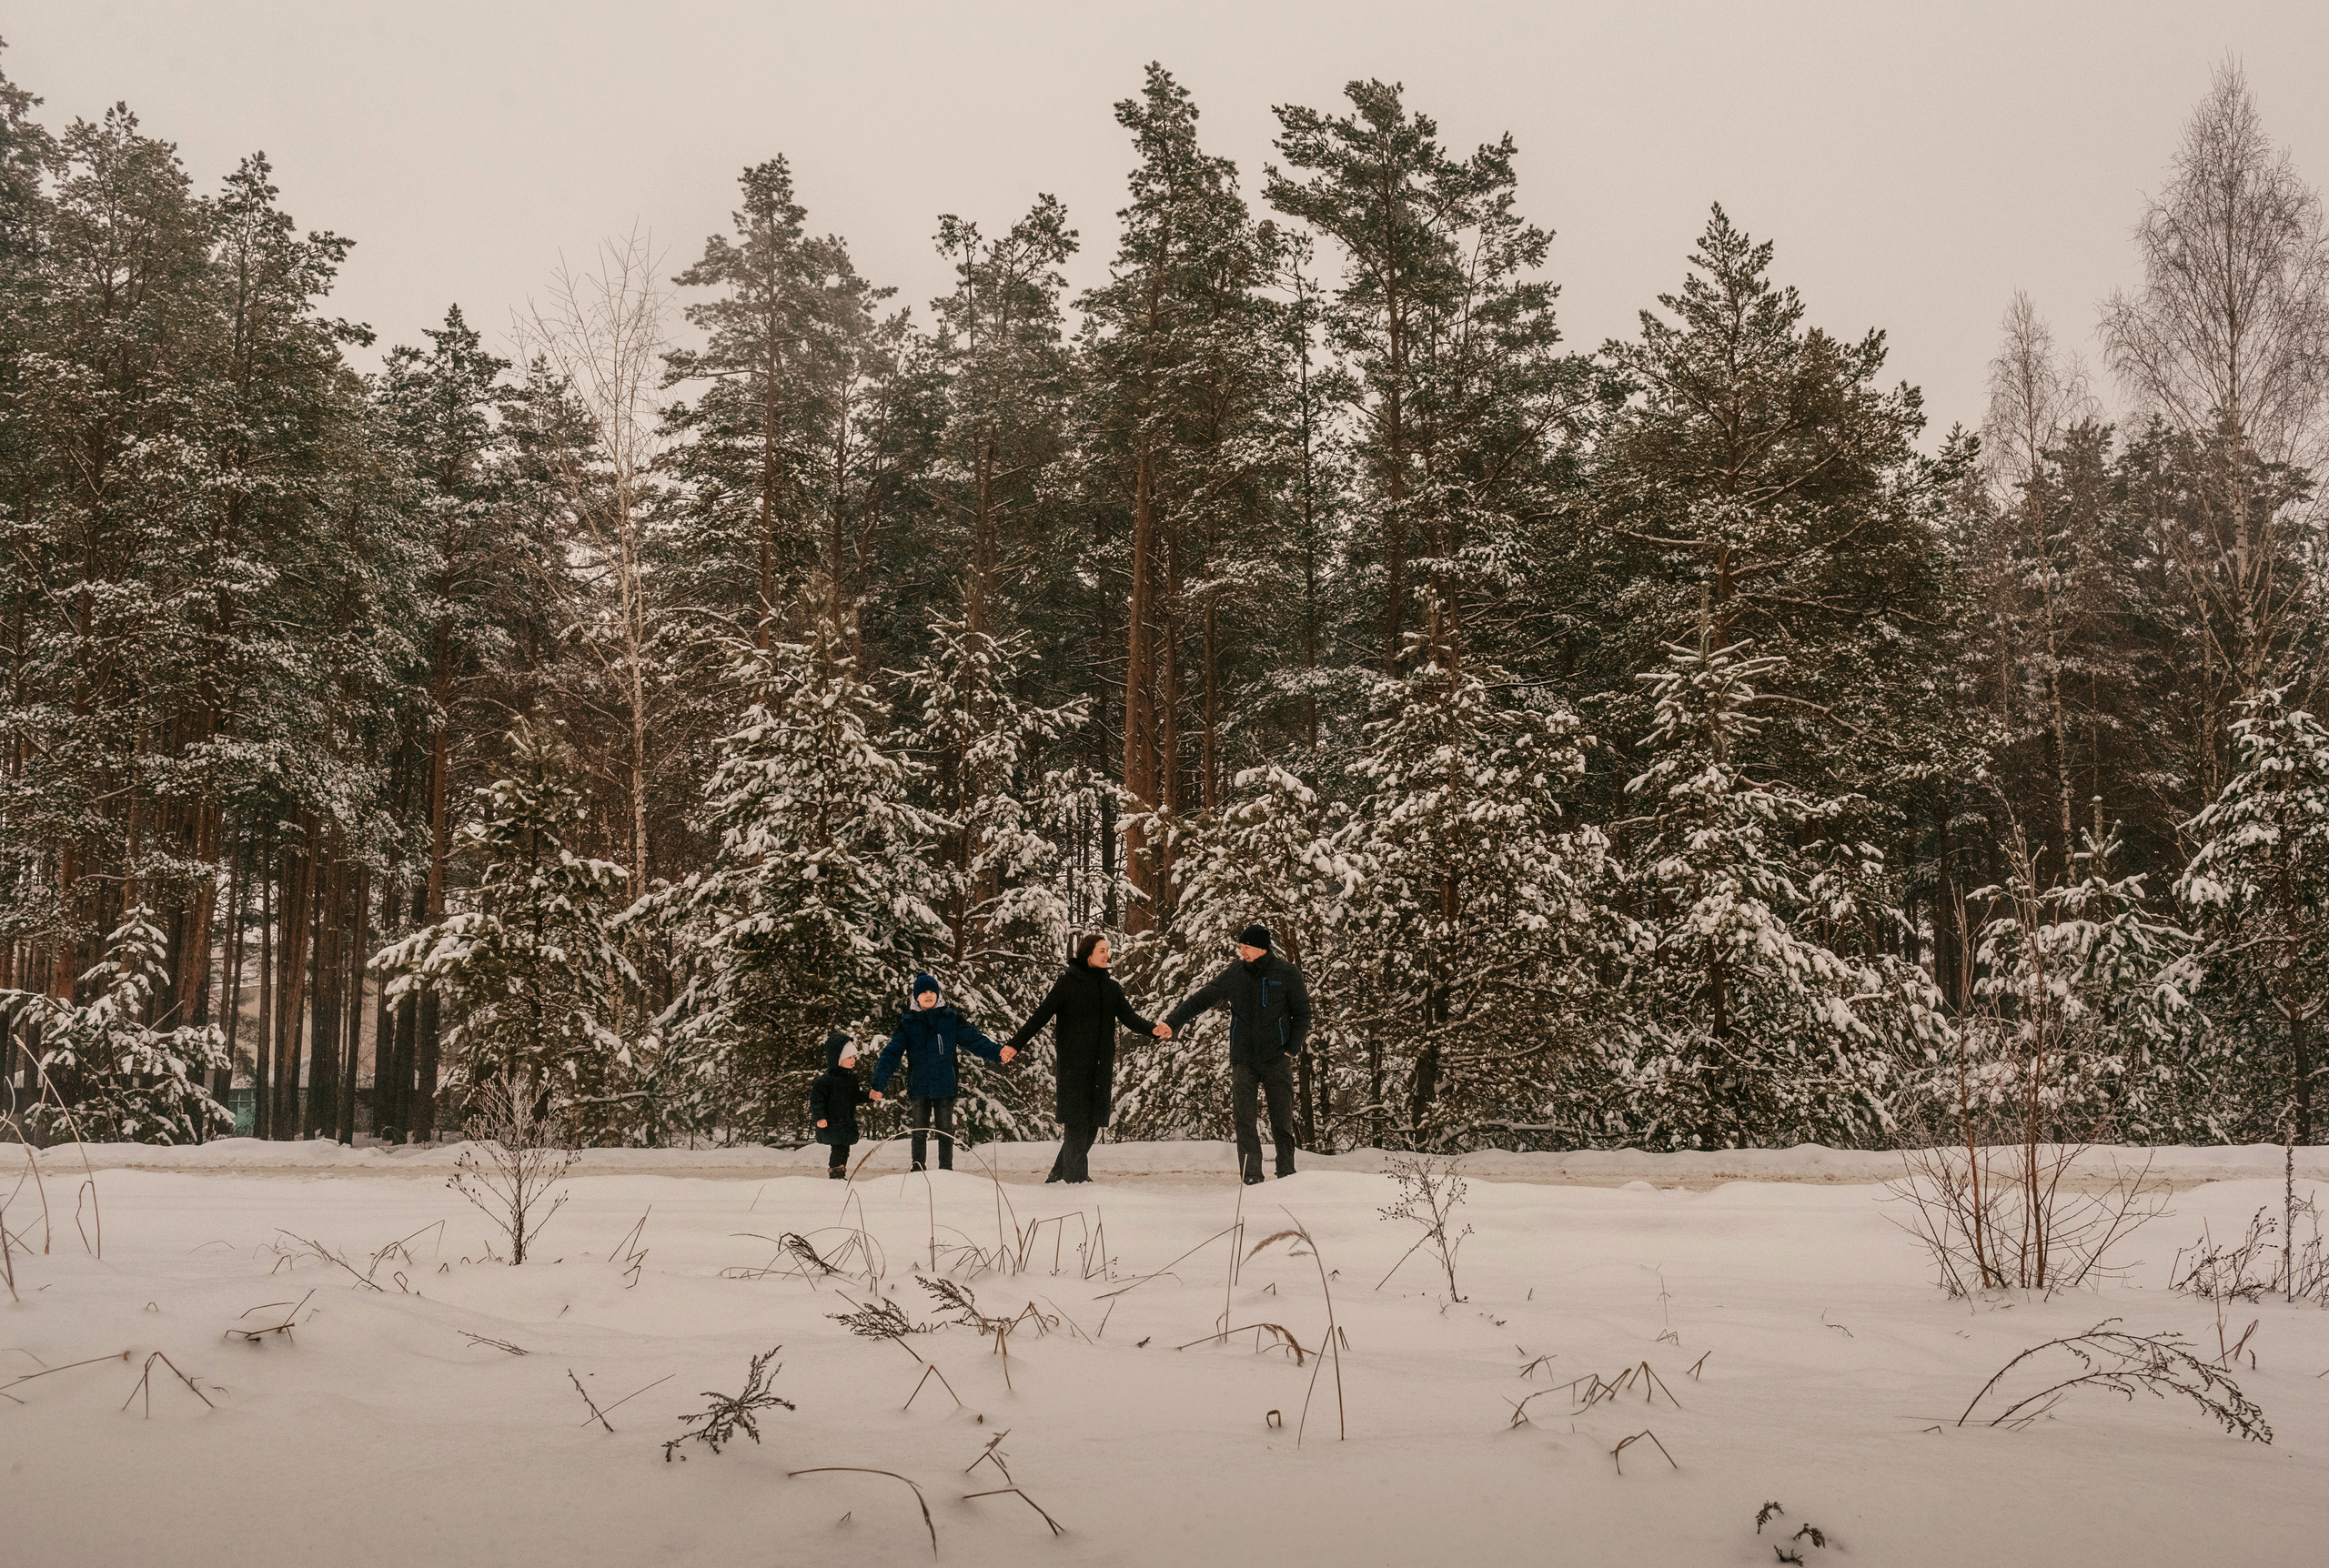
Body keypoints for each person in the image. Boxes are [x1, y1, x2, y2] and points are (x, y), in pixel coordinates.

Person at [1004, 933, 1170, 1184]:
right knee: (1076, 1123)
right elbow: (1040, 1016)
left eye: (1107, 950)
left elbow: (1130, 1018)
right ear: (1088, 954)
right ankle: (1076, 1180)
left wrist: (1154, 1030)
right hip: (1074, 1066)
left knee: (1092, 1124)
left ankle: (1058, 1175)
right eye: (1102, 950)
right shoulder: (1067, 983)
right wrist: (1015, 1045)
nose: (1107, 955)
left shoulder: (1111, 987)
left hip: (1101, 1065)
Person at [1163, 922, 1311, 1185]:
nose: (1242, 951)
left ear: (1262, 948)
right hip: (1243, 1058)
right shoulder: (1235, 973)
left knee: (1282, 1120)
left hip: (1277, 1057)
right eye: (1240, 947)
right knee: (1244, 1120)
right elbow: (1201, 999)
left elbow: (1301, 1013)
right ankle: (1251, 1175)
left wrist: (1291, 1048)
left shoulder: (1287, 973)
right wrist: (1172, 1022)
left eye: (1247, 947)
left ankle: (1287, 1173)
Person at [871, 972, 1014, 1171]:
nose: (929, 995)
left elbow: (975, 1041)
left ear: (938, 995)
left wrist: (998, 1053)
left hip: (945, 1084)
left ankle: (946, 1171)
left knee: (945, 1131)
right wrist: (878, 1085)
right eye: (924, 992)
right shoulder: (908, 1024)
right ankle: (917, 1170)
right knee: (919, 1132)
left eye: (932, 991)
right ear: (916, 997)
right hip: (919, 1086)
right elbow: (890, 1054)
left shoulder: (950, 1019)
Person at [808, 1030, 872, 1180]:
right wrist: (819, 1117)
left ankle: (840, 1174)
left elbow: (854, 1097)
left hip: (846, 1123)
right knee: (837, 1149)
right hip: (833, 1123)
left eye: (854, 1057)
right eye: (848, 1057)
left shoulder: (850, 1079)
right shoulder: (826, 1080)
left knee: (844, 1149)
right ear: (837, 1058)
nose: (852, 1060)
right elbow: (817, 1100)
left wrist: (869, 1096)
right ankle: (835, 1174)